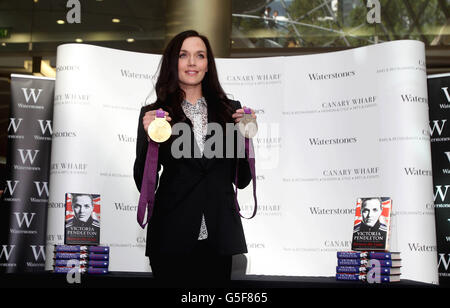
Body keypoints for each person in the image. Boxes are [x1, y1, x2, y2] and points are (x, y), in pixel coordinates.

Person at [133, 30, 256, 287]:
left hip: (219, 237)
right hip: (171, 236)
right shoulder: (156, 114)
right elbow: (144, 184)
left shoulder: (231, 110)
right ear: (172, 62)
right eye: (183, 55)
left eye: (200, 56)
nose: (192, 63)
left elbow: (242, 180)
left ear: (207, 64)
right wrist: (148, 138)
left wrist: (247, 136)